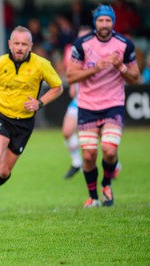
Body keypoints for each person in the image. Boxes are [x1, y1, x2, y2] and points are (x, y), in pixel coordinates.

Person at [0, 26, 63, 220]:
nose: (20, 47)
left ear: (31, 46)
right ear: (10, 44)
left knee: (4, 171)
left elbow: (58, 87)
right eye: (16, 43)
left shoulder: (41, 64)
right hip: (1, 117)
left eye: (24, 44)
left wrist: (40, 103)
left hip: (24, 124)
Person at [66, 4, 140, 208]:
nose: (105, 24)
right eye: (101, 20)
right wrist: (95, 68)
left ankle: (106, 185)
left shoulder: (125, 44)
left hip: (113, 105)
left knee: (108, 150)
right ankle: (93, 197)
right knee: (89, 155)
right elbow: (71, 75)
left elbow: (134, 77)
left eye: (108, 20)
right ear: (95, 22)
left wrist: (120, 66)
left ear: (113, 22)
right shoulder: (82, 44)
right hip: (88, 106)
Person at [61, 26, 92, 179]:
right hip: (79, 99)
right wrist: (73, 85)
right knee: (67, 131)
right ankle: (76, 163)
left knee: (100, 137)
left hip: (96, 101)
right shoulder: (74, 53)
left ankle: (114, 163)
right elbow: (72, 72)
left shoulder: (98, 54)